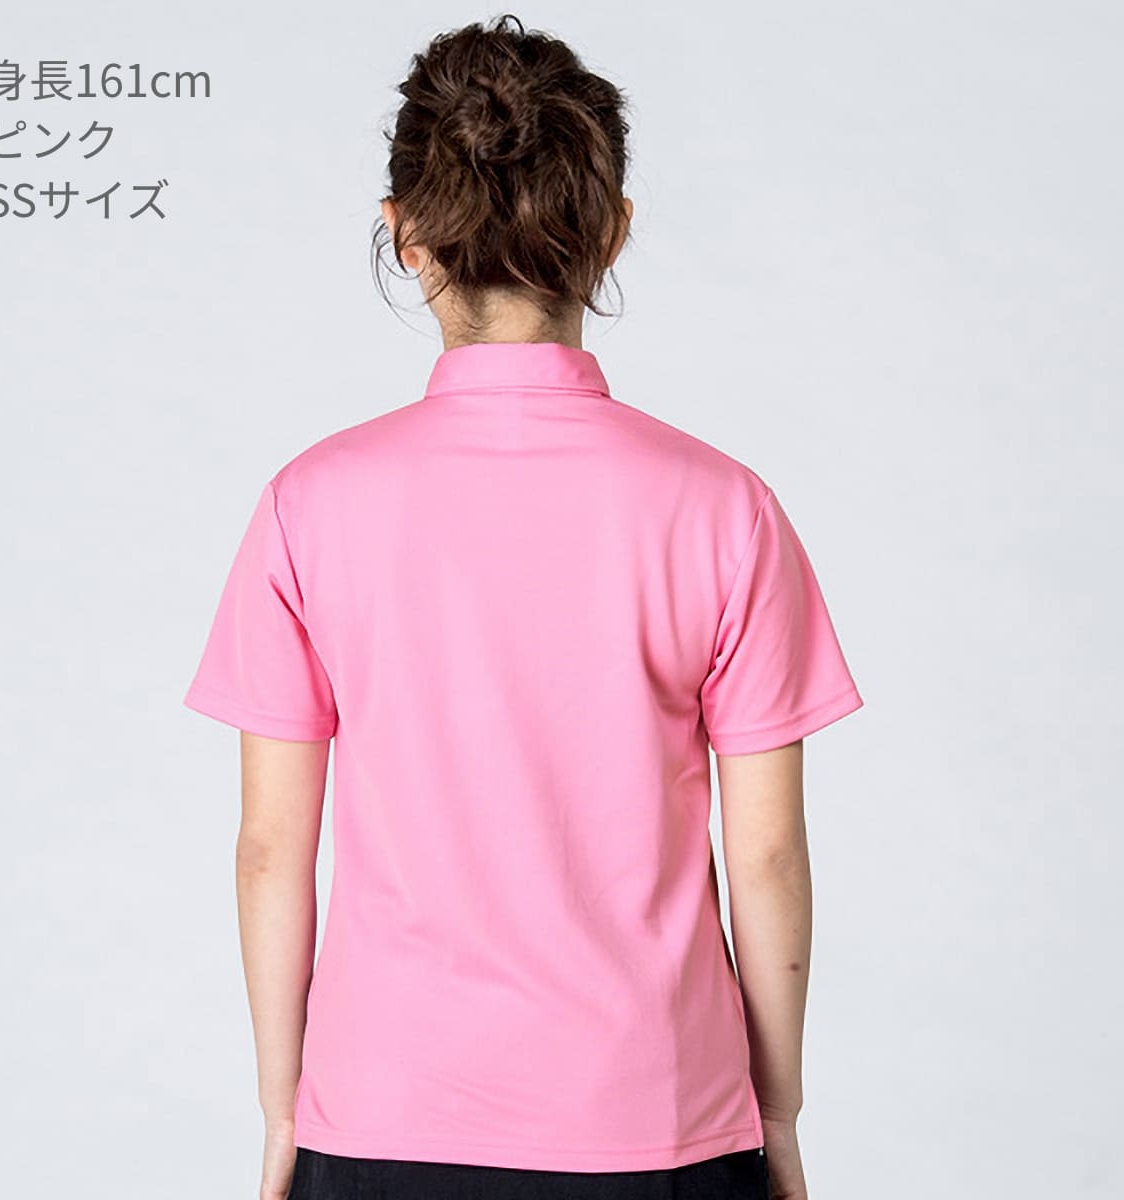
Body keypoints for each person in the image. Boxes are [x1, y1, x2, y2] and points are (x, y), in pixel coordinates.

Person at [183, 13, 863, 1200]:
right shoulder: (724, 508)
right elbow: (764, 851)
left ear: (404, 235)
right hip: (662, 1124)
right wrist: (779, 1111)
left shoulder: (310, 504)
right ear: (611, 232)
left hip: (386, 1120)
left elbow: (269, 851)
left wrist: (286, 1108)